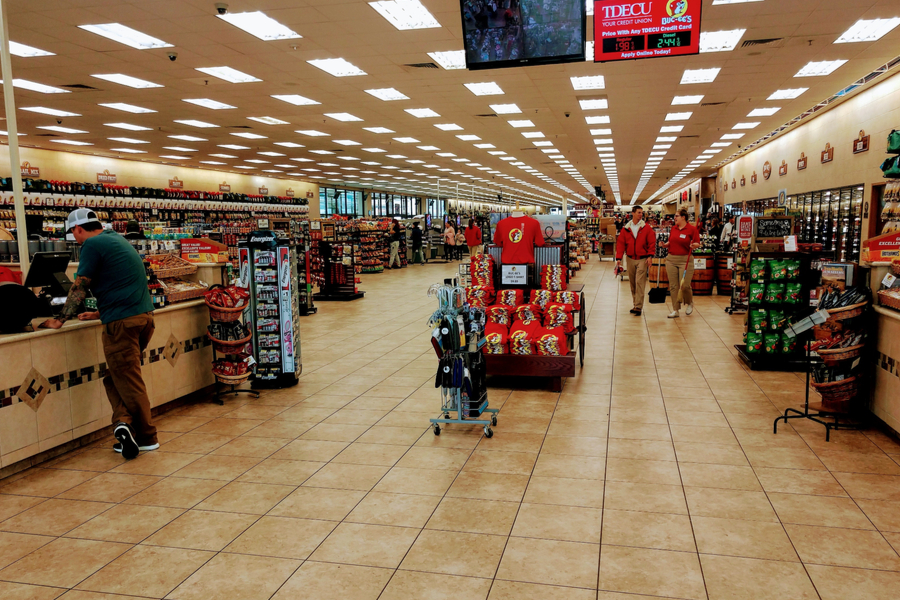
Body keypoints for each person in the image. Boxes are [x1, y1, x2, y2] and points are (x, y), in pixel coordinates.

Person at [39, 209, 157, 459]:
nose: (76, 238)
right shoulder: (117, 239)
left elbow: (80, 285)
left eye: (74, 233)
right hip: (144, 318)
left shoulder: (92, 245)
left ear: (78, 229)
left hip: (122, 324)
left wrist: (60, 319)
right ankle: (125, 427)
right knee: (116, 377)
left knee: (129, 380)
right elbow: (122, 282)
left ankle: (148, 437)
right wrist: (100, 312)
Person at [660, 208, 701, 318]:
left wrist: (694, 245)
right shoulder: (674, 228)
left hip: (685, 260)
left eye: (676, 216)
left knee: (685, 285)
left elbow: (698, 243)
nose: (675, 218)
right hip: (671, 259)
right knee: (673, 286)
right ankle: (675, 309)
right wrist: (665, 245)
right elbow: (671, 241)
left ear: (683, 217)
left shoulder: (692, 229)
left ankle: (689, 302)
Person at [615, 206, 656, 316]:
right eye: (638, 212)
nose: (640, 214)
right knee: (632, 283)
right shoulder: (626, 229)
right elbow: (620, 244)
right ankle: (635, 304)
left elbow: (652, 242)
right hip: (630, 258)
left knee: (639, 282)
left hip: (642, 259)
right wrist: (618, 258)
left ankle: (638, 306)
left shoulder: (646, 228)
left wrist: (650, 256)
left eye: (641, 213)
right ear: (632, 213)